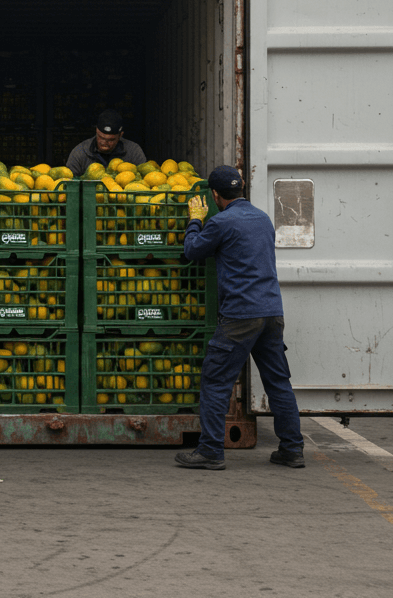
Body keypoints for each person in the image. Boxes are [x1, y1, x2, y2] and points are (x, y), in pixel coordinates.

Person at [174, 165, 304, 471]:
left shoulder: (221, 222)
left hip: (240, 316)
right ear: (241, 187)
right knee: (278, 382)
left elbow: (192, 250)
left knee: (216, 381)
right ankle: (292, 449)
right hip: (271, 312)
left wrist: (195, 220)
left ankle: (210, 450)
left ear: (215, 194)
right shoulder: (263, 218)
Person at [64, 109, 147, 176]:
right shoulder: (80, 152)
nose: (104, 143)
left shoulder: (133, 152)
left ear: (120, 135)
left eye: (111, 140)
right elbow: (68, 182)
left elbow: (145, 178)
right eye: (101, 137)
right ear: (96, 131)